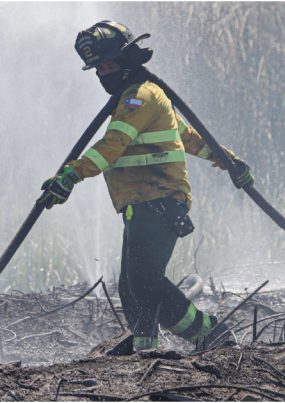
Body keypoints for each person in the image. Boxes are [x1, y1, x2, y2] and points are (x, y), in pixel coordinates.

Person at [39, 21, 254, 351]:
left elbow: (112, 145)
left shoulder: (140, 98)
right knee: (131, 284)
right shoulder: (140, 98)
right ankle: (144, 346)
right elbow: (187, 138)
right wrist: (226, 160)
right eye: (99, 69)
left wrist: (71, 175)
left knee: (145, 280)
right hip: (142, 203)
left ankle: (209, 333)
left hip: (159, 201)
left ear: (127, 61)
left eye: (109, 66)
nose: (103, 75)